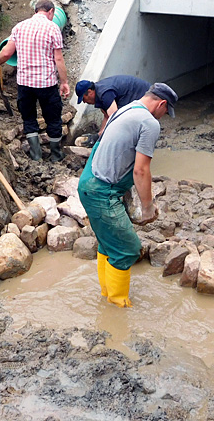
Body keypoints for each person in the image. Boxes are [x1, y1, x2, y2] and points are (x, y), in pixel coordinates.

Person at [77, 83, 178, 307]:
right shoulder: (149, 123)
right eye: (166, 112)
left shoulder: (127, 108)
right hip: (102, 191)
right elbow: (140, 170)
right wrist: (148, 207)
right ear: (161, 104)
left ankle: (105, 296)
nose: (164, 117)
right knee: (127, 249)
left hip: (88, 183)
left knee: (108, 244)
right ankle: (117, 306)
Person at [0, 0, 70, 161]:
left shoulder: (19, 27)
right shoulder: (53, 28)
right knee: (53, 118)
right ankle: (56, 155)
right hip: (46, 84)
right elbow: (59, 59)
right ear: (50, 12)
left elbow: (6, 53)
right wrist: (64, 82)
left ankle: (36, 156)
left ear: (36, 11)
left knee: (29, 118)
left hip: (25, 84)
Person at [75, 75, 151, 146]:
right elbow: (107, 116)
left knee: (126, 126)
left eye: (84, 99)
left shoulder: (105, 93)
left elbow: (114, 119)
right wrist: (98, 136)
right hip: (131, 96)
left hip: (144, 95)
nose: (84, 102)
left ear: (90, 92)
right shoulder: (99, 92)